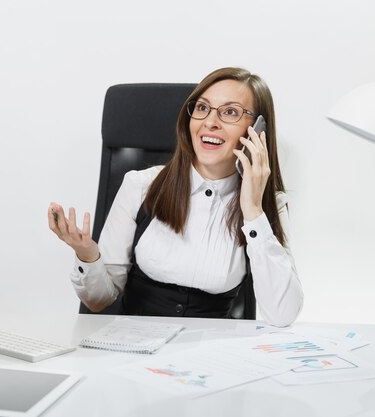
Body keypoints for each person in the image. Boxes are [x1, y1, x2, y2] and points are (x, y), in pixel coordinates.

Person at [48, 67, 303, 327]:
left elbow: (282, 315)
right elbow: (99, 301)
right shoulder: (141, 186)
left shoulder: (267, 205)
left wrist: (252, 211)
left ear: (257, 129)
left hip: (212, 359)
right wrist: (88, 255)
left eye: (230, 112)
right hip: (133, 352)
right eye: (202, 108)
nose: (210, 122)